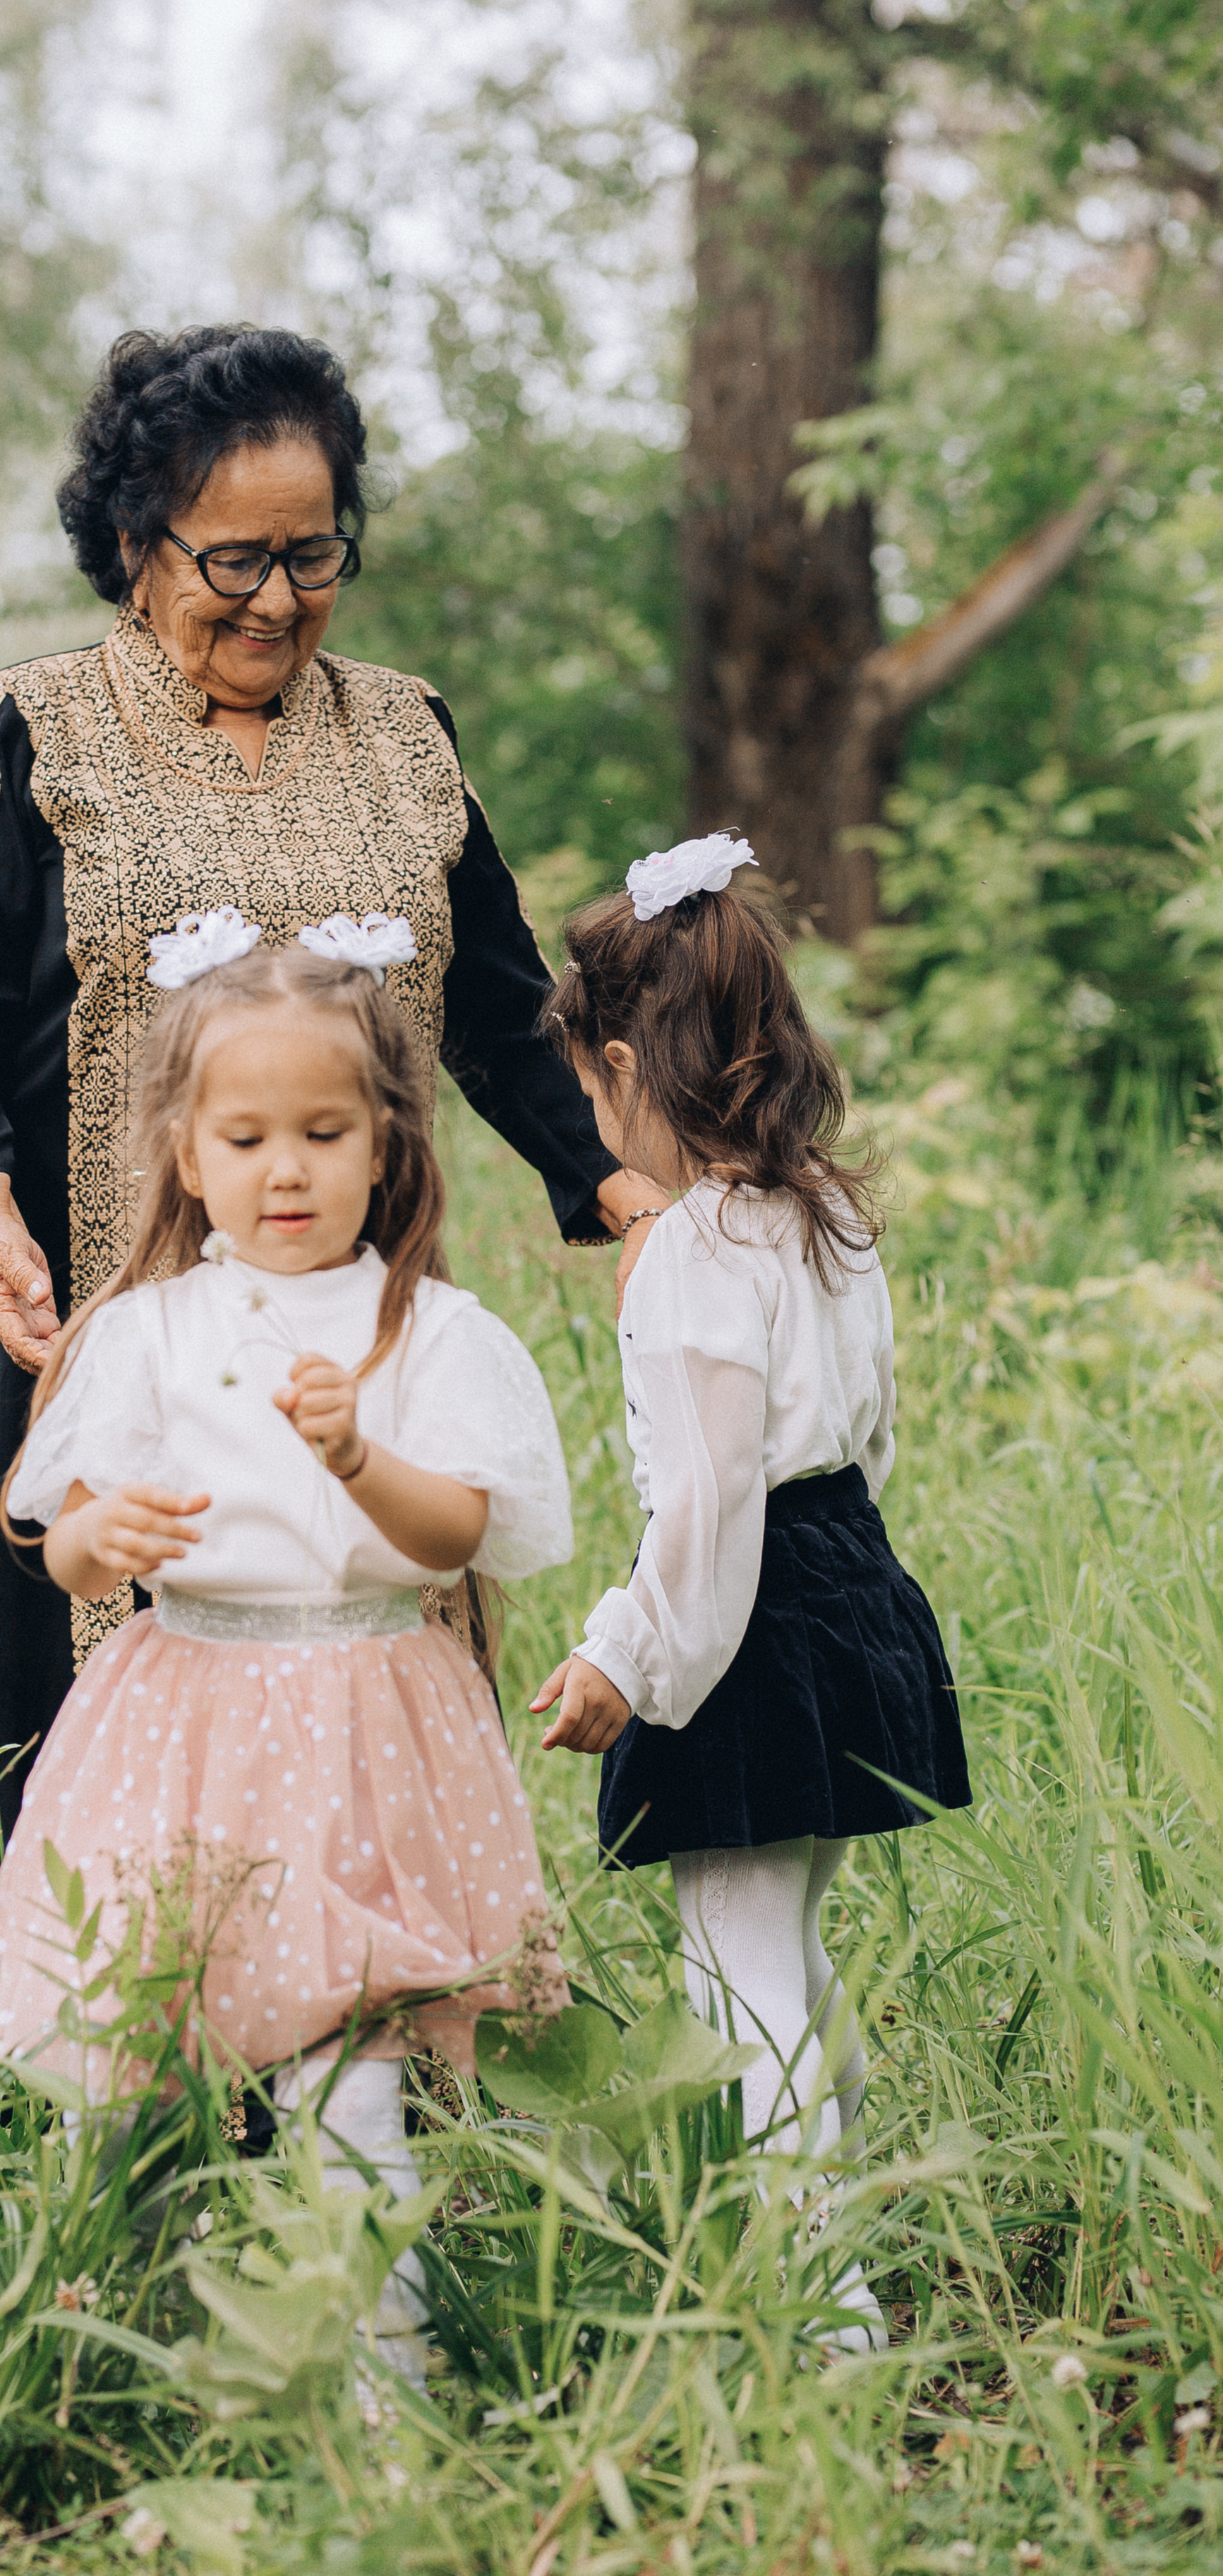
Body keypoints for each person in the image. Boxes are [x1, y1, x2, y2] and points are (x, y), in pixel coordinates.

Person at [0, 323, 639, 1950]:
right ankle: (41, 2089)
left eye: (313, 555)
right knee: (57, 1687)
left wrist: (618, 1185)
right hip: (72, 1298)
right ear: (136, 550)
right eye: (232, 558)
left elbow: (500, 1007)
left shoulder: (404, 732)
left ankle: (359, 2043)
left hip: (339, 1294)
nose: (276, 600)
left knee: (345, 1640)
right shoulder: (33, 724)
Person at [0, 922, 572, 2383]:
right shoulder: (148, 1332)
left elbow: (453, 1538)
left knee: (347, 2081)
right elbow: (59, 1537)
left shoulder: (425, 1329)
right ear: (185, 1154)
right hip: (182, 1715)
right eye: (243, 1137)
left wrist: (358, 1457)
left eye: (321, 1132)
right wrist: (99, 1543)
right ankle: (88, 2360)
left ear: (386, 1146)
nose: (283, 1170)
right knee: (119, 2078)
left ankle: (385, 2388)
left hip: (365, 1714)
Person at [527, 832, 971, 2349]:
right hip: (849, 1579)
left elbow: (710, 1496)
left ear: (622, 1069)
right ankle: (837, 2225)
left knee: (737, 1963)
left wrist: (623, 1658)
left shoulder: (688, 1250)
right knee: (792, 1936)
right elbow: (867, 1427)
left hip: (750, 1617)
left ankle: (816, 2297)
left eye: (589, 1091)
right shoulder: (820, 1215)